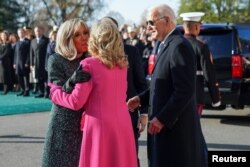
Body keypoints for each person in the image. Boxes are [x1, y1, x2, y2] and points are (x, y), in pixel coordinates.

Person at [49, 18, 138, 167]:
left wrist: (55, 94)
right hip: (123, 123)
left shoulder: (88, 64)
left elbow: (76, 102)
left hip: (98, 125)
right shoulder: (122, 64)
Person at [127, 4, 206, 167]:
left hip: (175, 134)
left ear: (167, 20)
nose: (148, 28)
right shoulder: (166, 44)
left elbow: (184, 90)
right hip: (165, 131)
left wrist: (162, 118)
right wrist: (141, 99)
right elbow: (163, 84)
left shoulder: (179, 46)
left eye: (151, 22)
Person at [41, 18, 90, 167]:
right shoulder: (55, 60)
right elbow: (55, 95)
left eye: (86, 32)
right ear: (67, 38)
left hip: (86, 126)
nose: (84, 37)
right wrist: (71, 81)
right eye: (77, 34)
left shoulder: (91, 59)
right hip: (62, 126)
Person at [105, 16, 148, 166]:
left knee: (129, 158)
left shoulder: (131, 51)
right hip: (102, 119)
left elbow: (141, 84)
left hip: (128, 115)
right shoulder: (93, 55)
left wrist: (143, 113)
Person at [180, 12, 221, 115]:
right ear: (197, 26)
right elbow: (209, 74)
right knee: (193, 129)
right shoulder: (201, 46)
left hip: (175, 97)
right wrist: (215, 98)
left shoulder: (175, 44)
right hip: (195, 97)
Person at [30, 26, 49, 98]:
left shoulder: (46, 40)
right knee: (38, 78)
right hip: (36, 63)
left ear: (42, 31)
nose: (37, 32)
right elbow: (31, 53)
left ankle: (46, 92)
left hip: (44, 62)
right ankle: (41, 92)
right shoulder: (33, 41)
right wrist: (31, 63)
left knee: (45, 78)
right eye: (35, 31)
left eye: (38, 31)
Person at [13, 28, 31, 96]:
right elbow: (15, 53)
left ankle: (27, 90)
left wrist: (27, 62)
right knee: (19, 77)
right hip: (17, 63)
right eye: (19, 33)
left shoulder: (28, 41)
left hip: (24, 63)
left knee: (25, 77)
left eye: (21, 32)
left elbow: (29, 53)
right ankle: (22, 89)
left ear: (24, 33)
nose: (20, 34)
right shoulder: (17, 42)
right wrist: (14, 62)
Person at [0, 30, 12, 94]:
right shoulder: (0, 44)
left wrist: (0, 57)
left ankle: (6, 89)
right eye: (2, 36)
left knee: (5, 75)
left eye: (4, 35)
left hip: (5, 62)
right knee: (1, 76)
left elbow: (6, 53)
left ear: (6, 36)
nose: (3, 37)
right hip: (0, 62)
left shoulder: (8, 44)